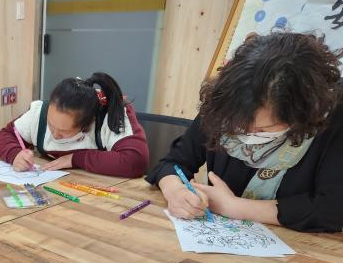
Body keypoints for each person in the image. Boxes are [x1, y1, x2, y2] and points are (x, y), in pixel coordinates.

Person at [146, 32, 343, 232]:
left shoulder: (332, 118)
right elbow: (173, 163)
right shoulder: (224, 104)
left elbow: (332, 209)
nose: (247, 136)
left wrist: (235, 207)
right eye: (238, 125)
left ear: (301, 115)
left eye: (263, 129)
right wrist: (175, 191)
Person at [0, 72, 149, 177]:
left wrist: (75, 159)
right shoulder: (40, 113)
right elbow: (6, 134)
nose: (55, 135)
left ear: (87, 124)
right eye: (50, 125)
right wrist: (15, 154)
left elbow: (135, 161)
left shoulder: (111, 116)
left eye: (63, 131)